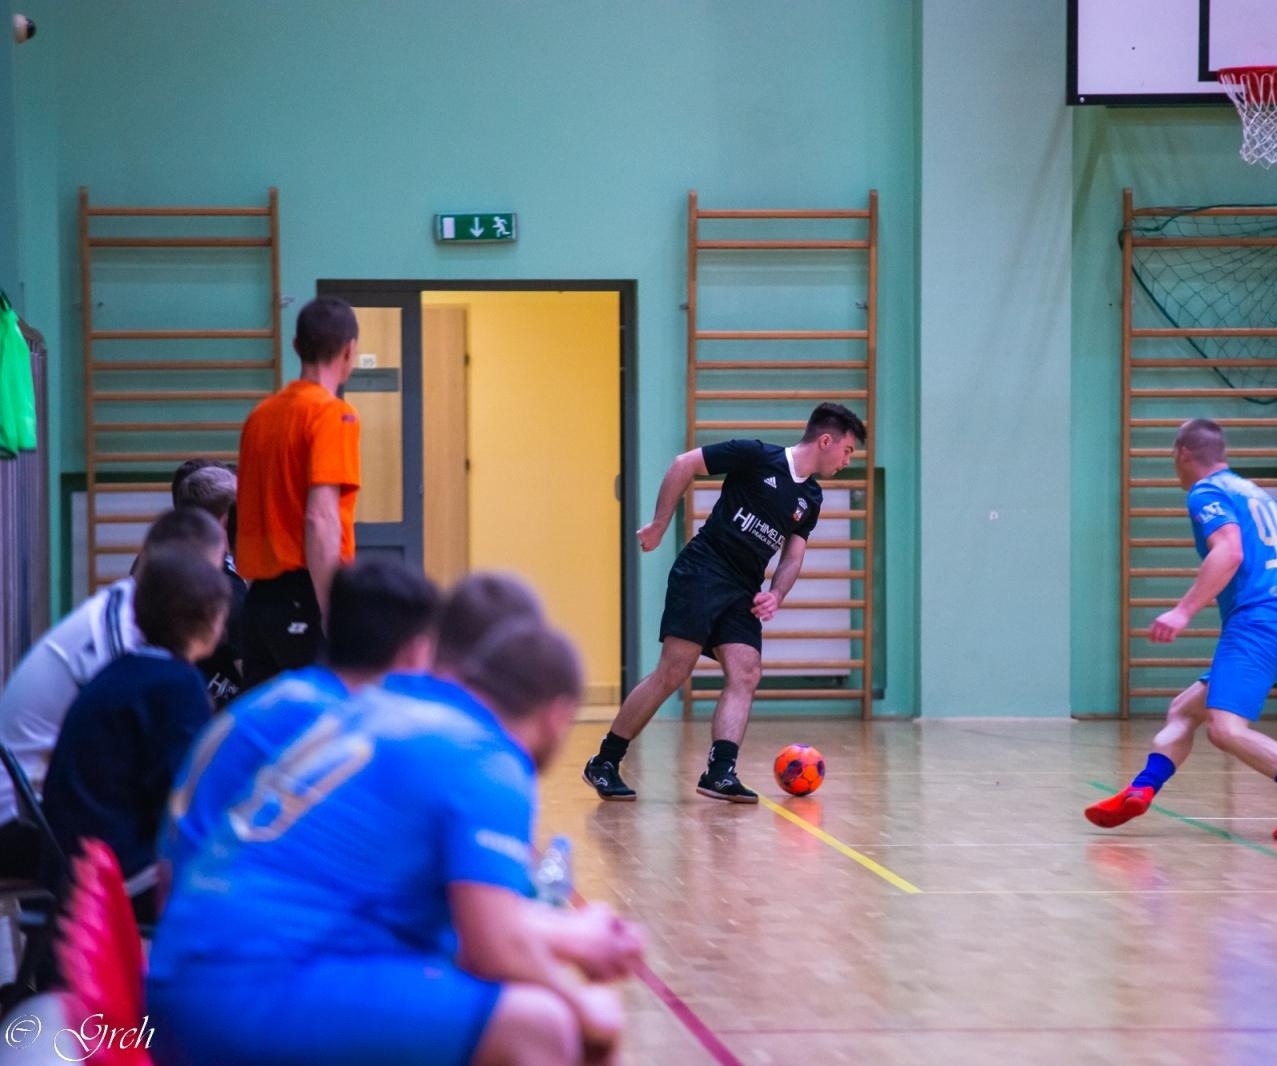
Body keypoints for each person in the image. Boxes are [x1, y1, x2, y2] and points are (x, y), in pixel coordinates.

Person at [146, 583, 642, 1066]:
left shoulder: (378, 707)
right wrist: (584, 1006)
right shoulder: (485, 755)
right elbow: (491, 948)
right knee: (541, 1025)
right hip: (238, 989)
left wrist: (570, 935)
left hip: (192, 970)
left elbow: (450, 918)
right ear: (558, 715)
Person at [584, 402, 865, 803]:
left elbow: (793, 555)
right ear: (825, 441)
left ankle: (719, 773)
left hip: (743, 589)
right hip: (703, 571)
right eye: (848, 450)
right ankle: (605, 761)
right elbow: (683, 464)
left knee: (746, 672)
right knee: (674, 670)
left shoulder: (811, 496)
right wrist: (660, 524)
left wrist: (776, 594)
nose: (847, 460)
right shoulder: (756, 455)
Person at [1084, 418, 1277, 840]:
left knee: (1225, 730)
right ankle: (1140, 790)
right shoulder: (1254, 493)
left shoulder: (1206, 492)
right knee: (1184, 709)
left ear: (1183, 454)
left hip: (1257, 626)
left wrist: (1182, 611)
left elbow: (1229, 551)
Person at [161, 557, 440, 880]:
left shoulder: (269, 701)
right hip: (240, 895)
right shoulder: (357, 728)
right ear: (416, 652)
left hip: (184, 891)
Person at [0, 508, 227, 879]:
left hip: (56, 809)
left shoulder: (130, 623)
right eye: (213, 573)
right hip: (26, 821)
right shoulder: (126, 645)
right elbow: (174, 791)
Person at [41, 550, 233, 904]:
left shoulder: (121, 669)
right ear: (208, 616)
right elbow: (181, 801)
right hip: (116, 869)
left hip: (72, 858)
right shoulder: (178, 684)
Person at [234, 296, 361, 689]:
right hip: (305, 593)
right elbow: (319, 518)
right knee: (322, 716)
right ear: (350, 350)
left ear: (295, 346)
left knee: (269, 719)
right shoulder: (333, 415)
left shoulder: (260, 416)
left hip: (258, 601)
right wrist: (330, 607)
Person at [172, 462, 250, 707]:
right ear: (228, 521)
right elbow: (253, 679)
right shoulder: (227, 591)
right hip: (217, 716)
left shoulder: (155, 569)